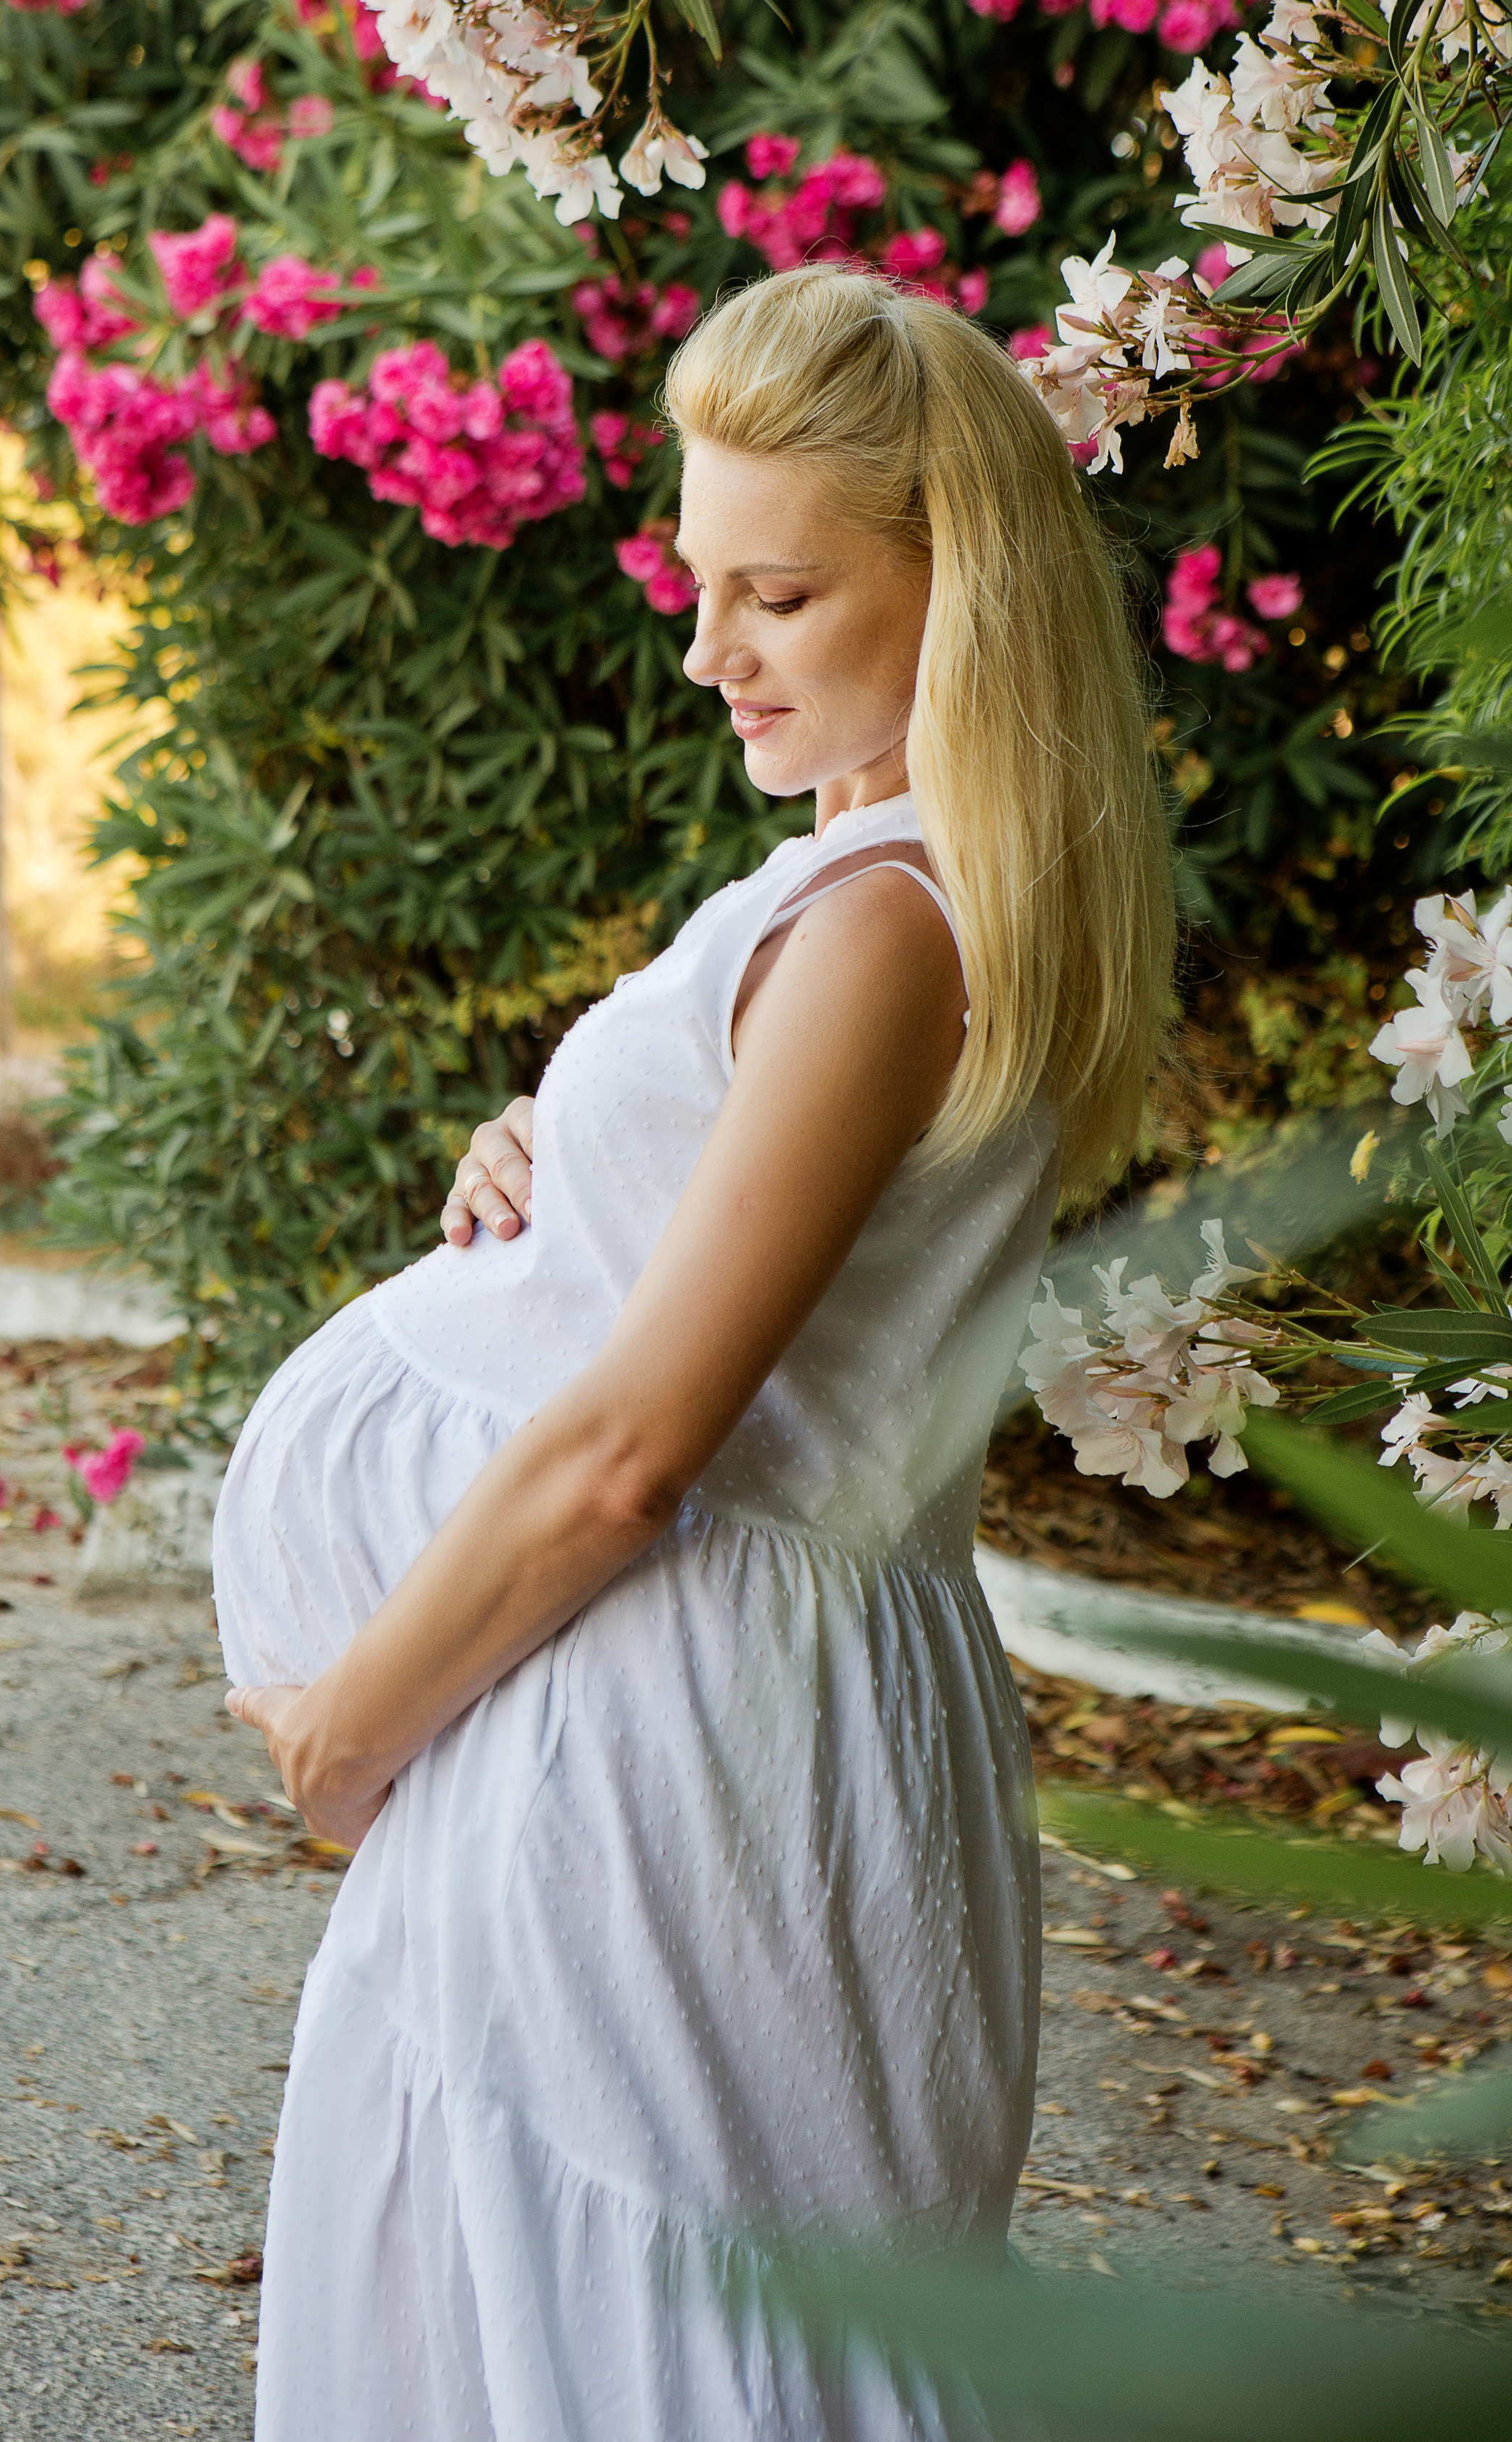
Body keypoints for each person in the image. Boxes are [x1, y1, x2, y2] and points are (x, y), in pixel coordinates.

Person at [212, 264, 1174, 2439]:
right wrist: (569, 1152)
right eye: (701, 579)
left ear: (963, 599)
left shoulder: (887, 928)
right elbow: (755, 1265)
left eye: (780, 596)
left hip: (672, 1745)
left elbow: (634, 1454)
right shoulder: (886, 883)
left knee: (638, 2360)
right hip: (710, 1718)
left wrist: (348, 1734)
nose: (706, 647)